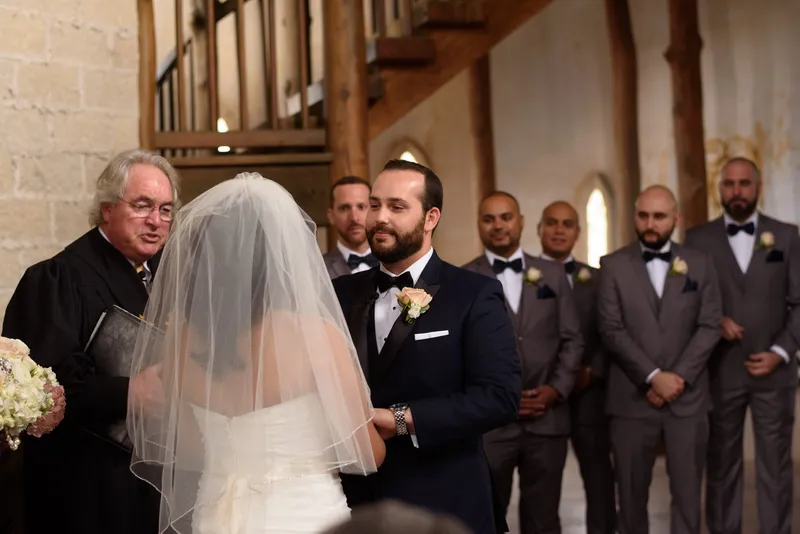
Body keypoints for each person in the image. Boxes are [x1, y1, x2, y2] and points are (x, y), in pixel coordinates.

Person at [127, 173, 386, 534]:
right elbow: (367, 455)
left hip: (215, 515)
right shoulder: (315, 337)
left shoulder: (182, 343)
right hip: (304, 514)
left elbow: (188, 446)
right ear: (279, 255)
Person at [333, 159, 521, 534]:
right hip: (357, 502)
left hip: (443, 499)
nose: (379, 217)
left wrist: (399, 419)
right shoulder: (338, 294)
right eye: (374, 204)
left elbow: (498, 397)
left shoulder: (473, 293)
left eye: (397, 207)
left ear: (431, 217)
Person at [2, 149, 180, 534]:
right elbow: (40, 393)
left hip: (148, 482)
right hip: (86, 487)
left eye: (166, 210)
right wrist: (128, 392)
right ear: (107, 209)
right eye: (143, 206)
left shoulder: (165, 278)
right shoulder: (57, 278)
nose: (156, 221)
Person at [597, 185, 722, 534]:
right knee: (632, 499)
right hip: (631, 401)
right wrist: (653, 376)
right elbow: (611, 329)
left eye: (660, 216)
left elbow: (710, 324)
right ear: (635, 216)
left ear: (676, 219)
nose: (650, 223)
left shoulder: (700, 263)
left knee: (687, 498)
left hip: (688, 399)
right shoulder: (612, 265)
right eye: (643, 215)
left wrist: (677, 377)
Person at [684, 157, 800, 534]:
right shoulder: (697, 239)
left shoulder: (786, 235)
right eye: (729, 184)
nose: (737, 191)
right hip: (720, 369)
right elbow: (687, 302)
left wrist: (782, 353)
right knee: (721, 465)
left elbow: (799, 303)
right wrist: (714, 322)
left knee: (776, 468)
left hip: (775, 373)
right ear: (720, 189)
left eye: (744, 184)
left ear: (758, 187)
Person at [462, 192, 583, 534]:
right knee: (487, 514)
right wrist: (496, 397)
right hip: (491, 424)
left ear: (522, 221)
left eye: (505, 217)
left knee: (544, 518)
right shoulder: (463, 279)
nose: (498, 225)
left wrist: (555, 390)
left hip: (547, 419)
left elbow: (573, 339)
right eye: (489, 219)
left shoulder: (553, 273)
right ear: (479, 225)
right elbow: (460, 351)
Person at [537, 200, 617, 534]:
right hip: (541, 396)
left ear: (578, 232)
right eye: (552, 223)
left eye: (567, 224)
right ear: (539, 228)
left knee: (600, 482)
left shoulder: (598, 279)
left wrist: (593, 370)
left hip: (589, 396)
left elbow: (611, 330)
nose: (559, 230)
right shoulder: (523, 277)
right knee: (542, 486)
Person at [324, 176, 379, 278]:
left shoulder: (398, 263)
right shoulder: (318, 268)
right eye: (345, 208)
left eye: (361, 207)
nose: (354, 218)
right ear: (331, 216)